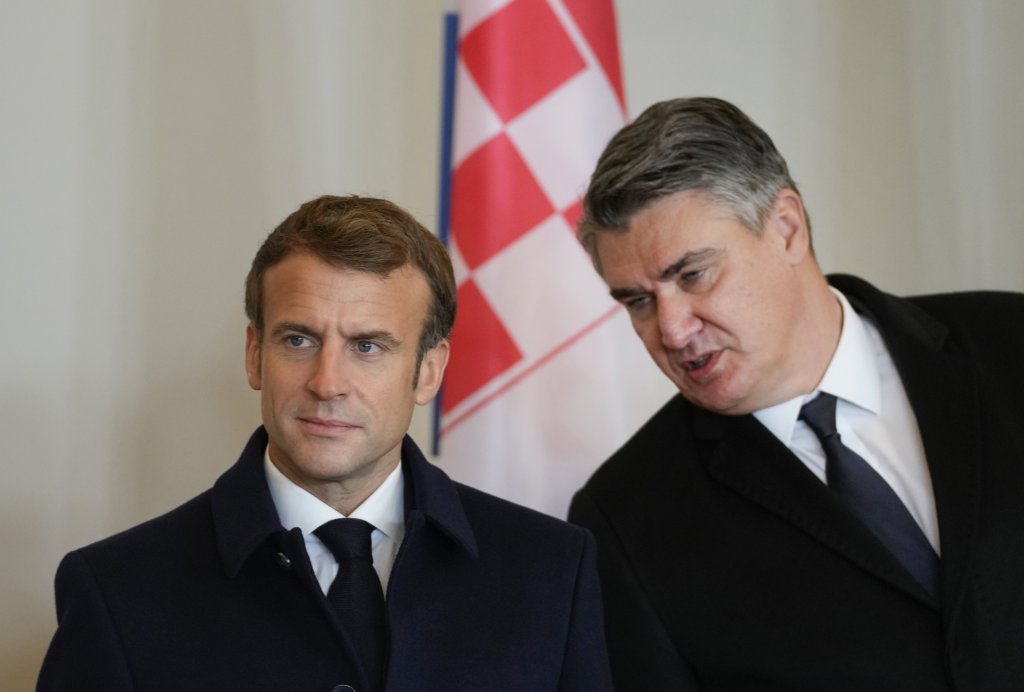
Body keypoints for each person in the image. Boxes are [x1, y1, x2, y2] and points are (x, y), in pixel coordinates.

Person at [39, 195, 612, 691]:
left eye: (368, 346)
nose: (327, 383)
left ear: (429, 371)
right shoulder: (117, 589)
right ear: (255, 355)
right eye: (298, 339)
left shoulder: (551, 570)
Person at [567, 97, 1024, 691]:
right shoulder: (626, 518)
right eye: (638, 301)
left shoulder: (1009, 343)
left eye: (693, 275)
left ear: (787, 228)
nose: (672, 330)